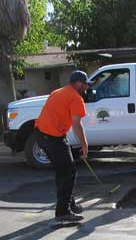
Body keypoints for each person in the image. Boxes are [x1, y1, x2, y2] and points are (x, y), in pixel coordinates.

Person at [34, 70, 91, 223]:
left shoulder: (57, 92)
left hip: (40, 135)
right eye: (85, 84)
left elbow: (54, 115)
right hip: (53, 138)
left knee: (63, 171)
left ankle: (69, 204)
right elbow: (77, 124)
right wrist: (84, 145)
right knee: (68, 172)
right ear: (78, 83)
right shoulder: (75, 97)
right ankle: (63, 212)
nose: (86, 88)